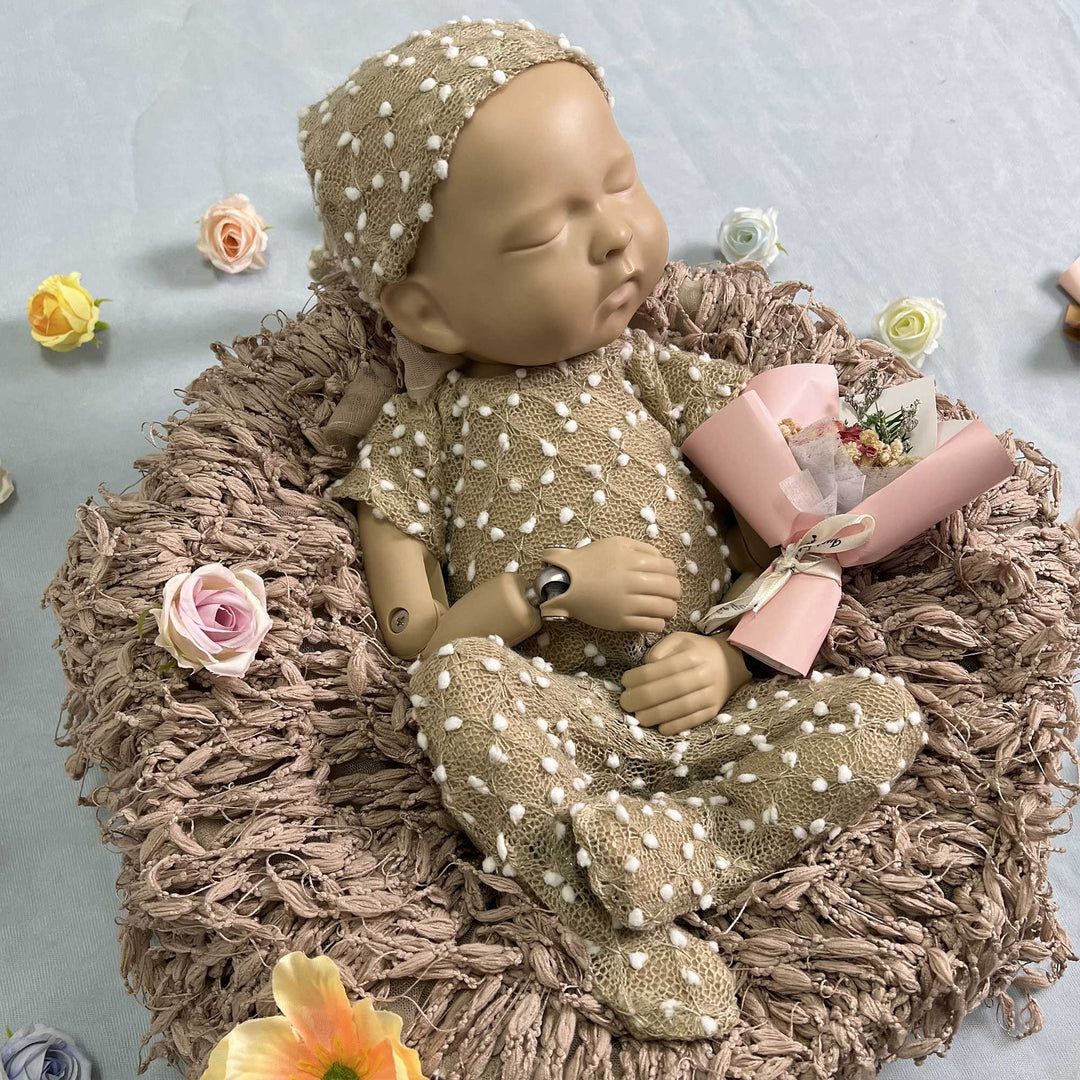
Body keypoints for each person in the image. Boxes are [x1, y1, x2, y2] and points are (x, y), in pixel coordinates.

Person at [309, 17, 924, 1040]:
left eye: (620, 182)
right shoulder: (423, 431)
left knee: (884, 712)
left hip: (709, 715)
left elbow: (781, 523)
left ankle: (684, 850)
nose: (614, 236)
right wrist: (548, 588)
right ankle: (611, 927)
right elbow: (415, 637)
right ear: (428, 311)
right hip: (548, 727)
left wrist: (730, 660)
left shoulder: (655, 373)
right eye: (542, 235)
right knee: (455, 688)